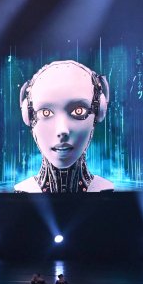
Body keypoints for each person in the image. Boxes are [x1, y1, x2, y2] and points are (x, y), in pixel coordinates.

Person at [15, 60, 113, 193]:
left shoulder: (105, 189)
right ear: (28, 115)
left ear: (99, 110)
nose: (62, 130)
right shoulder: (23, 190)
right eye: (46, 112)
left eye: (78, 111)